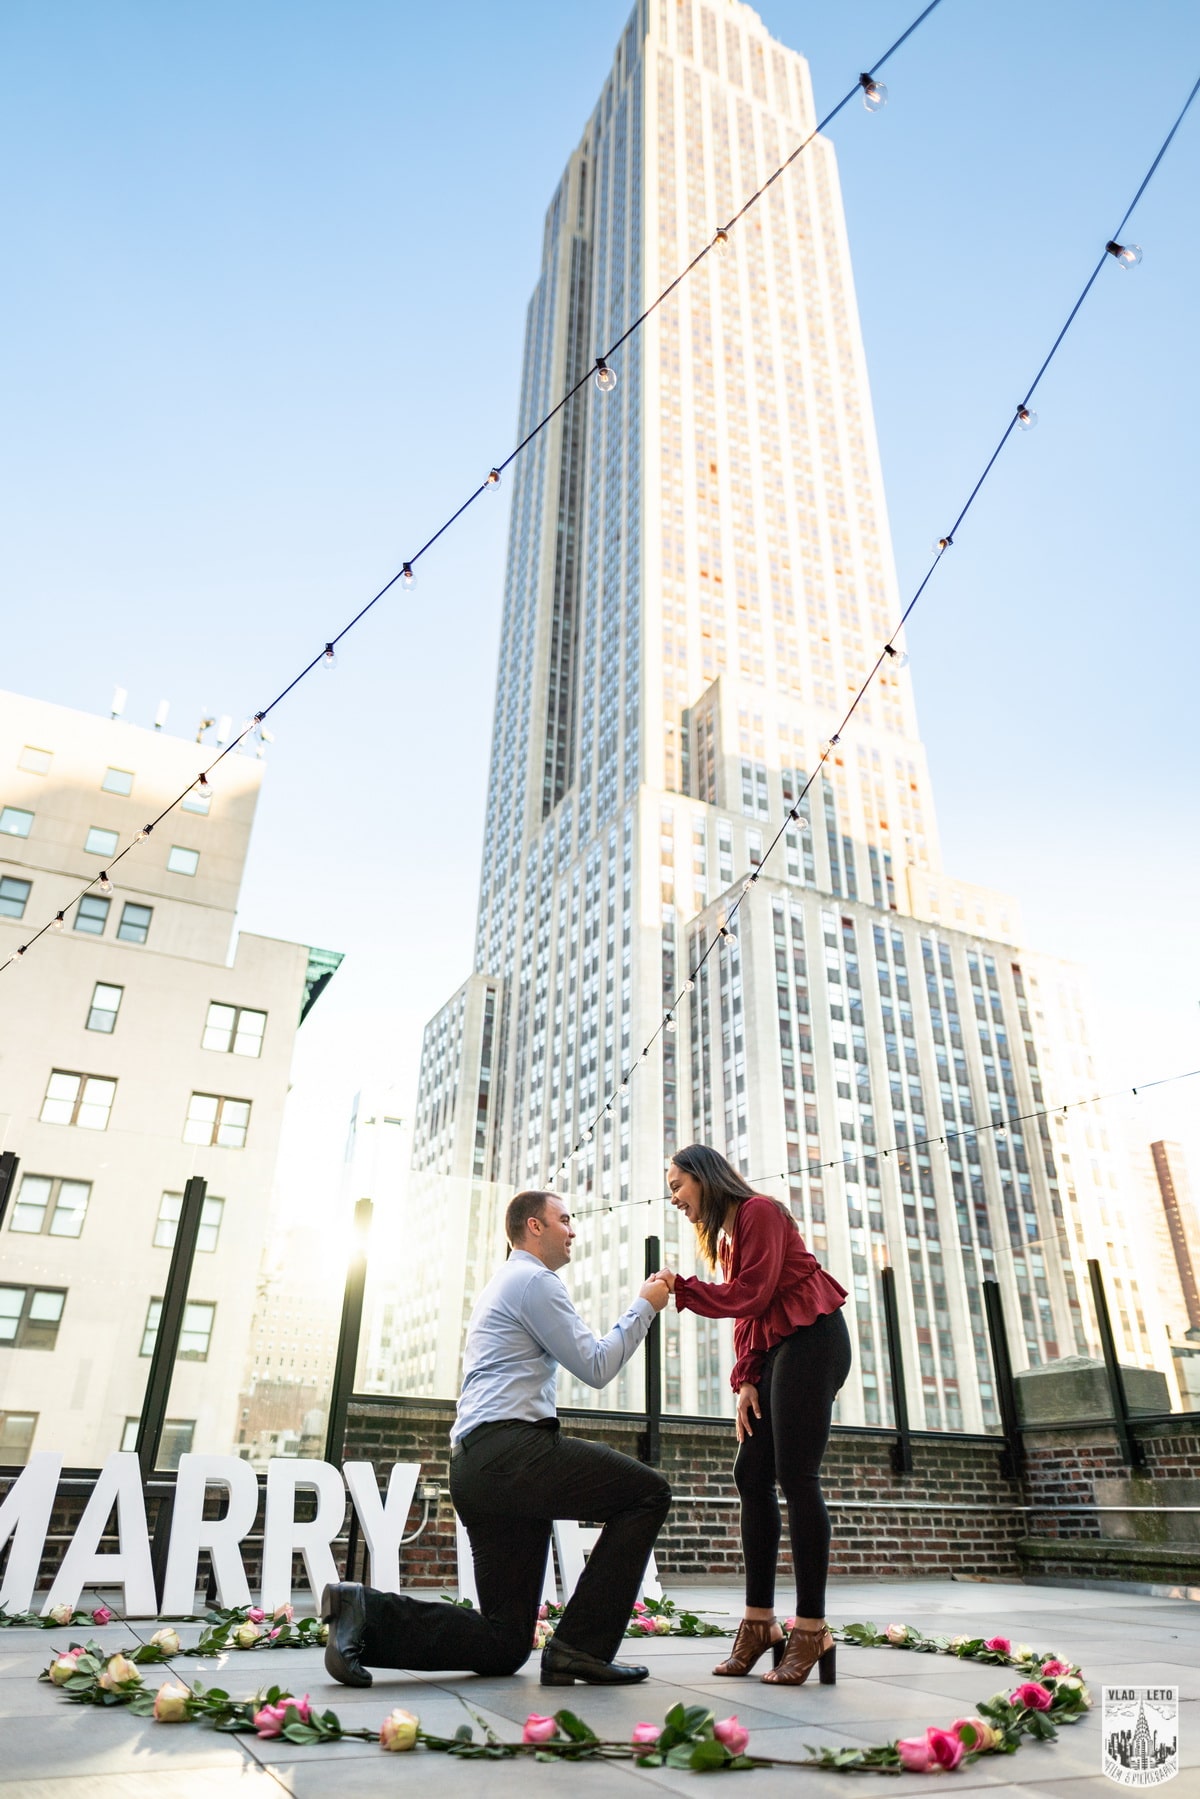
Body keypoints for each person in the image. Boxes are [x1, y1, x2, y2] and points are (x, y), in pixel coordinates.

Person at [323, 1189, 672, 1688]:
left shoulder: (502, 1284)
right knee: (648, 1493)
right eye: (564, 1220)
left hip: (476, 1466)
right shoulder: (534, 1280)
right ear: (534, 1227)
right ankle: (580, 1648)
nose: (573, 1231)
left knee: (504, 1642)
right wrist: (645, 1306)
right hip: (512, 1453)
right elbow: (596, 1365)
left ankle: (364, 1613)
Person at [656, 1144, 850, 1686]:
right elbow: (751, 1315)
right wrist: (745, 1378)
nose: (673, 1198)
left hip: (814, 1338)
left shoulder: (758, 1211)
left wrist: (683, 1289)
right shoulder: (730, 1235)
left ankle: (811, 1629)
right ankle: (759, 1623)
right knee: (751, 1473)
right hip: (779, 1348)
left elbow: (753, 1293)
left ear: (703, 1176)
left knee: (795, 1475)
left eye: (676, 1185)